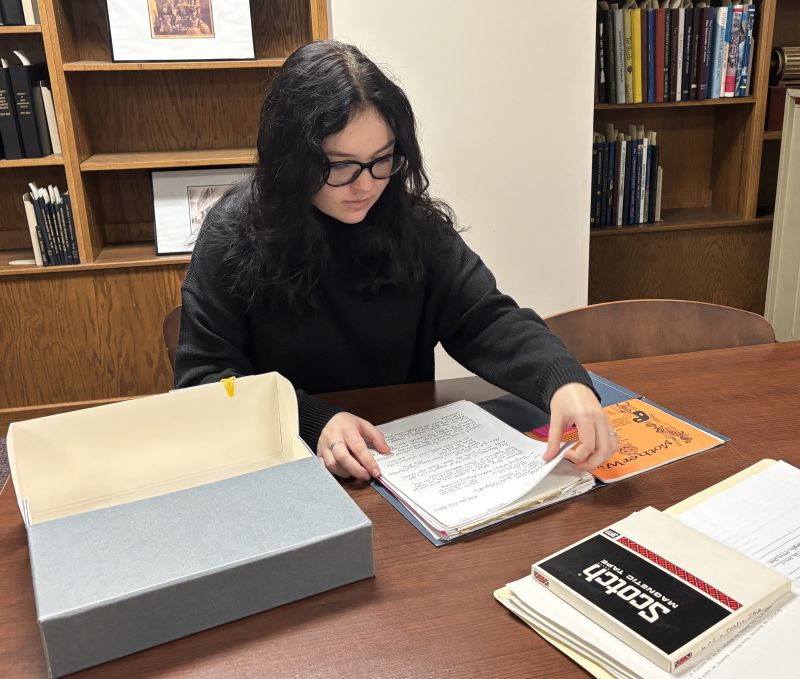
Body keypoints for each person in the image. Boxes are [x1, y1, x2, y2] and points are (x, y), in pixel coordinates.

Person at [174, 40, 618, 482]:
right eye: (340, 165)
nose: (365, 185)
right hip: (282, 469)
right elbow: (206, 378)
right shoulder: (234, 234)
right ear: (292, 161)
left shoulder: (409, 224)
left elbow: (485, 319)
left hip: (399, 461)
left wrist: (563, 381)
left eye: (381, 160)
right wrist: (311, 421)